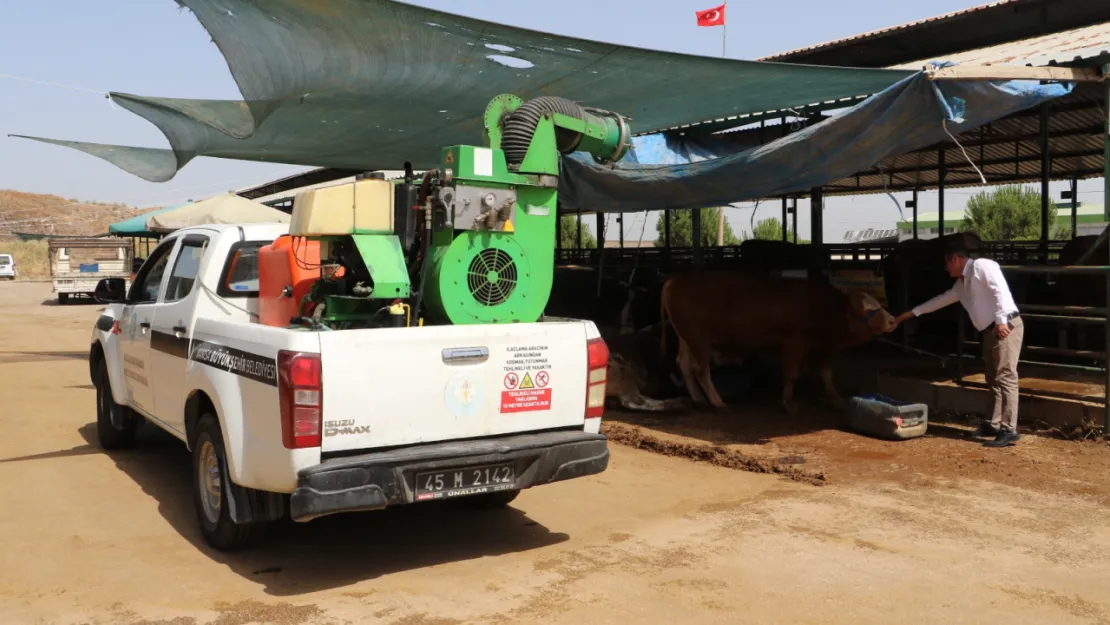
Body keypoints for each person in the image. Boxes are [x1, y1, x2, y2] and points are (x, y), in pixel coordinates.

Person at [894, 242, 1023, 447]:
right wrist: (910, 314)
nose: (946, 269)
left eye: (947, 264)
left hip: (1004, 325)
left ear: (955, 259)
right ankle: (995, 424)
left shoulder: (982, 265)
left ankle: (1009, 429)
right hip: (992, 330)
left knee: (1005, 375)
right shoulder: (961, 284)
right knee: (993, 378)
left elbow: (998, 289)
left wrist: (1000, 320)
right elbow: (940, 300)